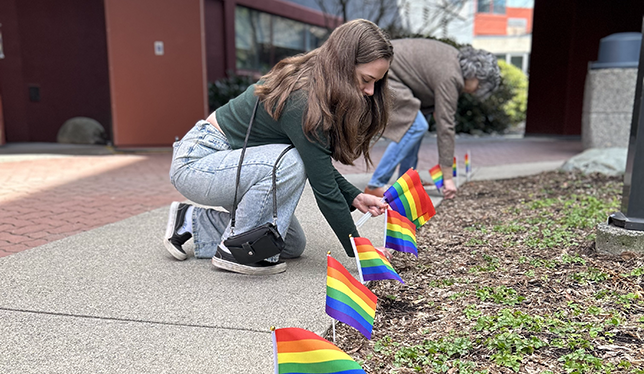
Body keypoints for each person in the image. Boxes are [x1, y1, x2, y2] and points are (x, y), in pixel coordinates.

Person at [162, 19, 393, 275]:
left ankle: (191, 220)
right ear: (343, 65)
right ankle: (234, 253)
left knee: (290, 244)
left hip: (238, 167)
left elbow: (317, 161)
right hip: (200, 162)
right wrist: (360, 250)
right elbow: (323, 187)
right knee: (292, 161)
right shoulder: (303, 99)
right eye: (366, 79)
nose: (371, 91)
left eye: (376, 83)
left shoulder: (319, 82)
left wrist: (354, 196)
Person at [363, 39, 501, 200]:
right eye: (479, 86)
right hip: (387, 74)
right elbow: (446, 128)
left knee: (419, 125)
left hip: (393, 73)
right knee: (416, 126)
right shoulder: (451, 76)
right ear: (476, 75)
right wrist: (448, 178)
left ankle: (406, 180)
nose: (475, 91)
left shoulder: (453, 60)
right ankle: (375, 184)